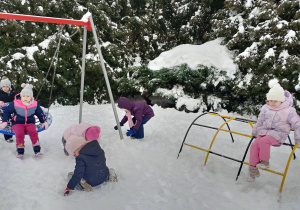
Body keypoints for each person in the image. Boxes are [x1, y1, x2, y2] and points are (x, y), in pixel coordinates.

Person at [247, 79, 300, 182]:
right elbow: (260, 120)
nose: (272, 103)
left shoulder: (288, 110)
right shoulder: (265, 108)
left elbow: (298, 123)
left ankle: (265, 162)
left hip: (278, 134)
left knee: (263, 141)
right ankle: (253, 170)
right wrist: (255, 130)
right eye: (270, 100)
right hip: (264, 132)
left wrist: (298, 138)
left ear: (281, 100)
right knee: (254, 145)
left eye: (275, 100)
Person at [63, 124, 117, 196]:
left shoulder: (80, 158)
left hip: (91, 182)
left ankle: (83, 183)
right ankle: (110, 174)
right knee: (106, 168)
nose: (75, 154)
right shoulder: (100, 150)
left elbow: (78, 174)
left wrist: (69, 187)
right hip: (103, 176)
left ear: (78, 148)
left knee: (70, 174)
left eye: (74, 152)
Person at [0, 83, 49, 159]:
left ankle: (37, 150)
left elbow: (40, 113)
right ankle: (20, 151)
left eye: (28, 96)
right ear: (21, 96)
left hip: (30, 122)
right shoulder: (15, 103)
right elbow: (7, 112)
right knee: (19, 134)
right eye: (23, 96)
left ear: (31, 97)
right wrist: (5, 121)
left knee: (33, 133)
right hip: (17, 123)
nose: (25, 98)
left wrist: (43, 121)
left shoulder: (35, 104)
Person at [0, 76, 16, 143]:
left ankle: (14, 131)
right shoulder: (0, 93)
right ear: (1, 87)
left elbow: (16, 97)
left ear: (9, 86)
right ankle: (7, 137)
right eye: (3, 87)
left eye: (7, 87)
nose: (5, 88)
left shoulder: (12, 92)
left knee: (13, 120)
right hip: (3, 111)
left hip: (12, 109)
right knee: (6, 122)